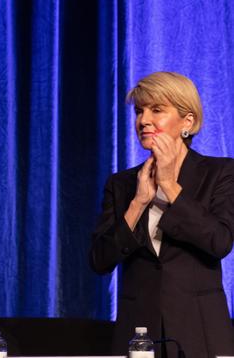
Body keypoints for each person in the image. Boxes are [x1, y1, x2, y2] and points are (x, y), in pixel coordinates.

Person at [90, 71, 234, 358]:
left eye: (157, 110)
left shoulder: (221, 173)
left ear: (187, 122)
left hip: (199, 335)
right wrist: (138, 203)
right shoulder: (121, 185)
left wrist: (169, 185)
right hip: (138, 335)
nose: (143, 120)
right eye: (140, 111)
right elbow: (99, 260)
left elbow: (219, 241)